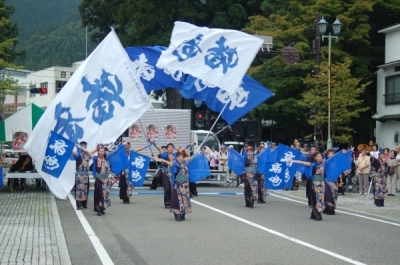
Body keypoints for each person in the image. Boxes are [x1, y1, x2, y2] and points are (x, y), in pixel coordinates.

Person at [156, 151, 192, 221]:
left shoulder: (187, 164)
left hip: (185, 186)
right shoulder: (175, 164)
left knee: (185, 200)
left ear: (183, 158)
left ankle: (183, 214)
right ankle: (177, 215)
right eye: (178, 157)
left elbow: (192, 158)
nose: (179, 158)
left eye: (181, 157)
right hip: (177, 185)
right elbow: (169, 163)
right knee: (177, 200)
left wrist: (200, 154)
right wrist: (163, 160)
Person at [291, 152, 325, 221]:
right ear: (315, 158)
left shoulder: (323, 164)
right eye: (318, 156)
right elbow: (301, 162)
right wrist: (292, 161)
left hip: (322, 184)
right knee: (316, 199)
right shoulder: (312, 164)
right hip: (314, 184)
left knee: (320, 199)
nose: (320, 157)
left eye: (321, 156)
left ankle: (313, 214)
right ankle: (318, 215)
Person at [72, 141, 95, 210]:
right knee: (79, 190)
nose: (83, 146)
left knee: (85, 189)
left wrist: (98, 148)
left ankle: (84, 204)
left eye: (85, 145)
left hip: (85, 175)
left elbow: (92, 152)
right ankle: (79, 205)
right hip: (79, 175)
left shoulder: (88, 155)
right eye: (82, 145)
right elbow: (71, 151)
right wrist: (76, 146)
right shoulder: (78, 154)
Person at [92, 145, 112, 216]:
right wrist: (97, 148)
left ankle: (102, 208)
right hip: (99, 179)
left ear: (104, 152)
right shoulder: (95, 158)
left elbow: (114, 153)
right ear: (98, 152)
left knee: (104, 194)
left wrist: (107, 148)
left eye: (102, 151)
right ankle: (98, 209)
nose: (101, 152)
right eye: (99, 151)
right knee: (99, 193)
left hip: (105, 180)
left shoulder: (107, 159)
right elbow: (90, 153)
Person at [323, 149, 338, 215]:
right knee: (327, 194)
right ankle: (327, 208)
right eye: (330, 154)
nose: (331, 155)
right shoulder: (325, 162)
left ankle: (332, 208)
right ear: (327, 155)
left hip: (334, 180)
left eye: (332, 154)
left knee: (334, 195)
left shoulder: (336, 163)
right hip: (327, 180)